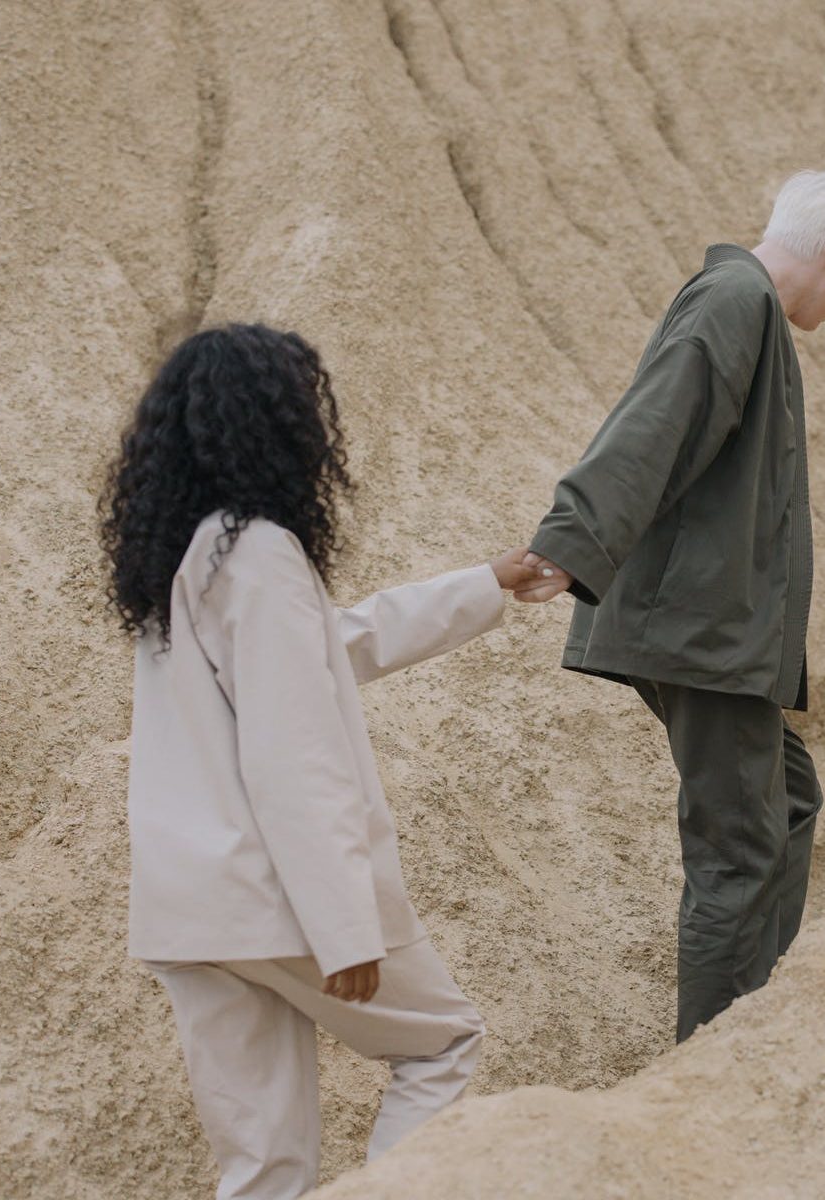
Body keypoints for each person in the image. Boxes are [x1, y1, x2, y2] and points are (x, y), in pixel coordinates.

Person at [100, 323, 544, 1200]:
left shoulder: (183, 559)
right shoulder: (258, 552)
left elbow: (335, 643)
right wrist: (345, 926)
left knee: (265, 1169)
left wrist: (486, 583)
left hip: (191, 909)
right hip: (271, 900)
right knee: (442, 1044)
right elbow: (293, 755)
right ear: (272, 427)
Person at [518, 169, 825, 1041]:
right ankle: (715, 1058)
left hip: (714, 630)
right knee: (739, 851)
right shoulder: (736, 300)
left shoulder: (747, 308)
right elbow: (655, 420)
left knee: (789, 801)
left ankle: (752, 1011)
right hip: (699, 630)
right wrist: (573, 537)